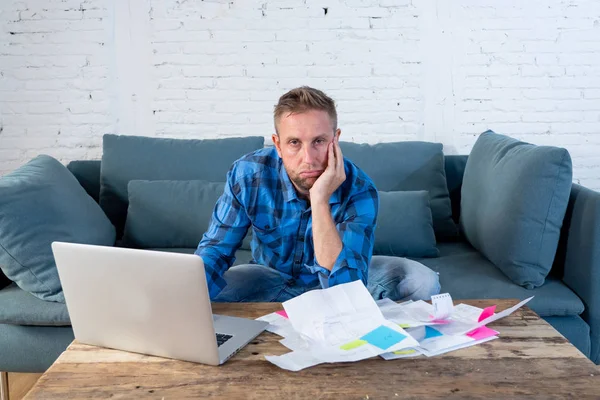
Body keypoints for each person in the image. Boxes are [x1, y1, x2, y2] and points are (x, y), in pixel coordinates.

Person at [195, 86, 440, 302]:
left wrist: (319, 199)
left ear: (336, 139)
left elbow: (345, 289)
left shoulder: (359, 188)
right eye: (294, 143)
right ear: (277, 145)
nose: (308, 159)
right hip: (270, 277)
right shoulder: (248, 175)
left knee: (422, 281)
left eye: (319, 141)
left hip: (336, 279)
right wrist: (184, 296)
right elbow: (216, 249)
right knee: (200, 290)